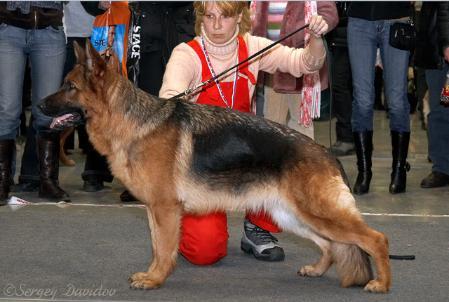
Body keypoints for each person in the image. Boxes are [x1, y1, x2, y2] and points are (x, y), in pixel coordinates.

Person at [159, 1, 328, 265]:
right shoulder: (186, 54)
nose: (216, 25)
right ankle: (181, 222)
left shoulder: (253, 47)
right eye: (209, 16)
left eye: (224, 17)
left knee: (279, 162)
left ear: (239, 17)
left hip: (241, 160)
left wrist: (316, 38)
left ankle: (256, 229)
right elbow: (168, 99)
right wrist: (178, 98)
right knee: (205, 252)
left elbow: (305, 63)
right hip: (200, 169)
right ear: (200, 18)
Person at [0, 1, 68, 205]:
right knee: (7, 110)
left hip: (50, 29)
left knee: (48, 111)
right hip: (7, 28)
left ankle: (47, 181)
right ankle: (2, 179)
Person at [347, 2, 413, 195]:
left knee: (397, 100)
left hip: (396, 18)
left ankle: (399, 170)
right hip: (360, 19)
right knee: (363, 99)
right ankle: (364, 171)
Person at [252, 1, 338, 140]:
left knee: (301, 124)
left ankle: (304, 159)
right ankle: (276, 160)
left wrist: (319, 25)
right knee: (272, 123)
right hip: (270, 65)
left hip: (301, 64)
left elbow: (329, 13)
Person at [414, 2, 449, 188]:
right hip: (437, 49)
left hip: (439, 46)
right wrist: (446, 43)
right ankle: (442, 168)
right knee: (440, 109)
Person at [326, 2, 355, 156]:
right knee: (341, 87)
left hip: (348, 33)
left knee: (341, 86)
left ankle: (348, 137)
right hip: (337, 35)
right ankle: (349, 137)